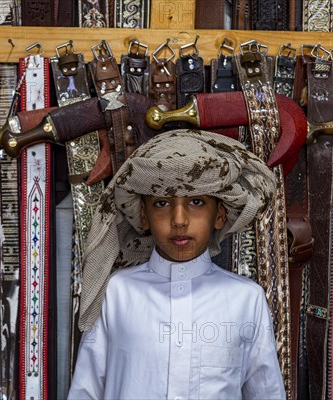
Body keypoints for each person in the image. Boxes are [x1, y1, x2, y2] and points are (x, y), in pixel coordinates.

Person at [68, 129, 286, 400]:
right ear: (143, 216)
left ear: (219, 215)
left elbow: (266, 393)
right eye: (162, 203)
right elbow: (86, 391)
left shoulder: (246, 298)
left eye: (196, 202)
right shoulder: (116, 293)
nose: (179, 220)